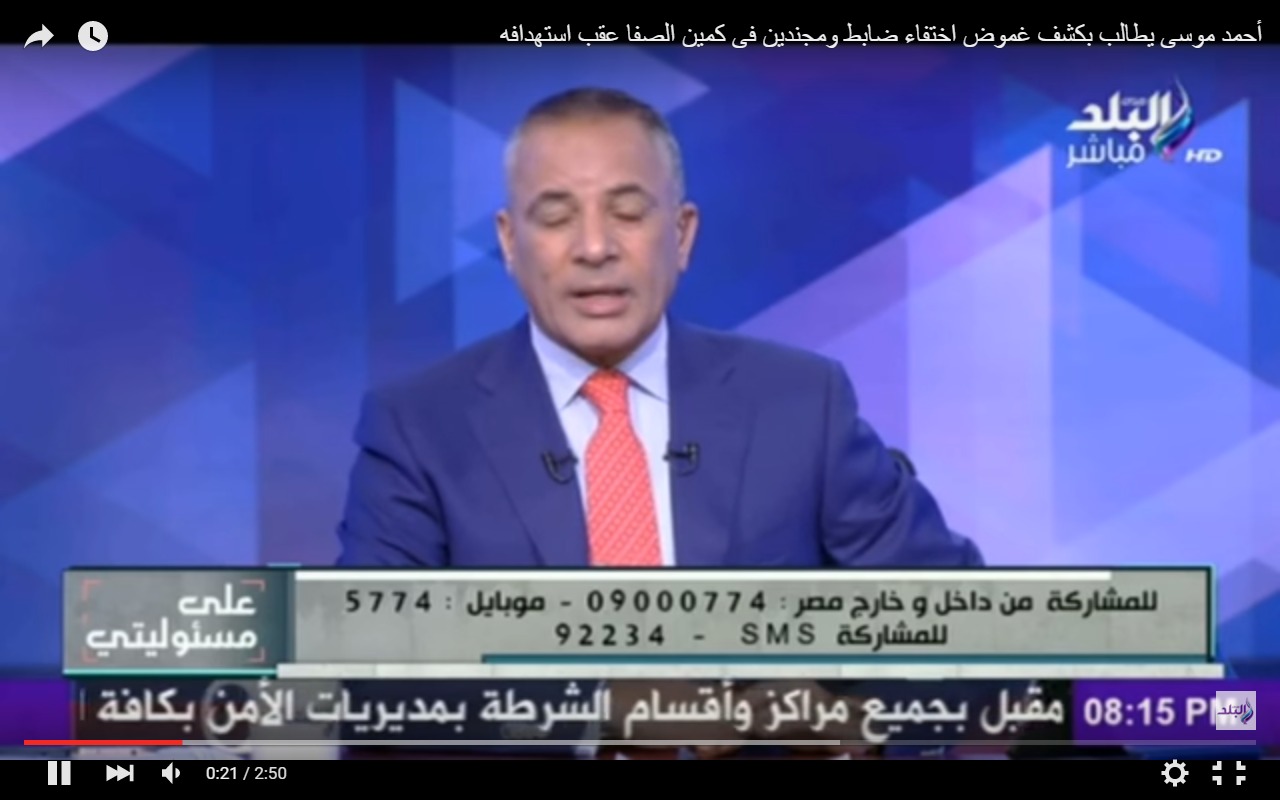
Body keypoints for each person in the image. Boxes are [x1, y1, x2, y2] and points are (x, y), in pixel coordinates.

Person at [336, 87, 984, 757]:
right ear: (508, 241)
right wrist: (598, 708)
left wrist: (863, 726)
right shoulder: (418, 427)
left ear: (681, 234)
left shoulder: (801, 402)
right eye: (555, 217)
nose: (595, 247)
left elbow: (972, 628)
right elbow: (371, 678)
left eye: (627, 213)